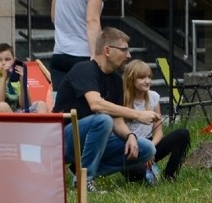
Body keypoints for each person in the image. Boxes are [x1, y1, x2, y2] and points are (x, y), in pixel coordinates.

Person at [53, 27, 159, 192]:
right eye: (124, 50)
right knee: (103, 120)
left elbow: (117, 119)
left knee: (146, 148)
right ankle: (84, 182)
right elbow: (96, 104)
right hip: (60, 140)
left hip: (92, 140)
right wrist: (138, 114)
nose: (129, 55)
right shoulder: (84, 69)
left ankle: (80, 170)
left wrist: (130, 135)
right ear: (107, 51)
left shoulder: (116, 81)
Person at [122, 60, 191, 182]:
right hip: (130, 148)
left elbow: (158, 132)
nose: (147, 81)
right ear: (131, 79)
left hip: (149, 143)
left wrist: (150, 149)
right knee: (138, 175)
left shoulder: (154, 97)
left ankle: (169, 175)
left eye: (149, 77)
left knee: (183, 134)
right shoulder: (122, 100)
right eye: (142, 78)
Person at [0, 43, 49, 114]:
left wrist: (22, 81)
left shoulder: (16, 75)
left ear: (14, 61)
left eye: (7, 59)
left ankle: (42, 127)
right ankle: (19, 126)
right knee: (2, 106)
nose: (3, 63)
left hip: (12, 117)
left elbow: (25, 105)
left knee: (41, 105)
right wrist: (4, 77)